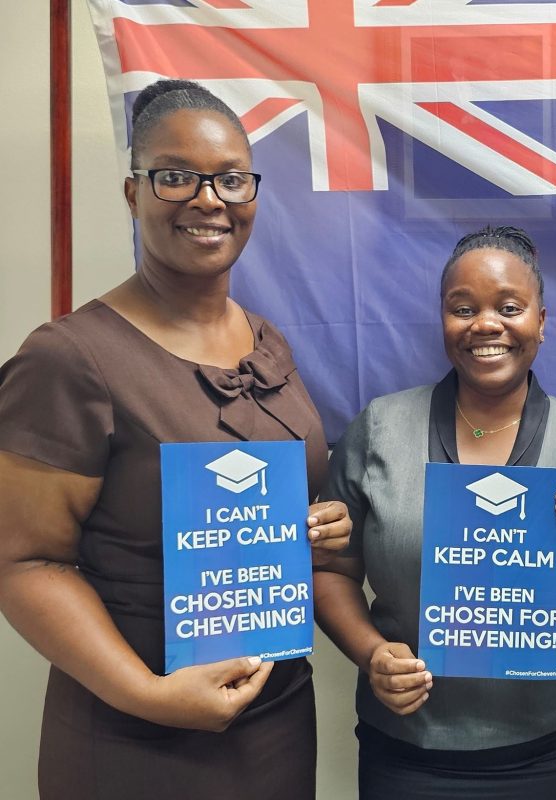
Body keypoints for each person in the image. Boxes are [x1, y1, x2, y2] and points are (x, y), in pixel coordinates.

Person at [0, 80, 350, 799]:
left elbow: (264, 503)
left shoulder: (266, 340)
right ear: (134, 194)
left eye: (230, 179)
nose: (208, 199)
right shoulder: (70, 359)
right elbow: (23, 562)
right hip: (135, 731)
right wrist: (149, 694)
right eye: (176, 176)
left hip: (277, 721)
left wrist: (314, 529)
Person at [314, 225, 556, 799]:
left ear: (541, 321)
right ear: (443, 320)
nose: (486, 325)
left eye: (510, 308)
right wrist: (372, 654)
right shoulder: (381, 428)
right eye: (463, 308)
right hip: (407, 749)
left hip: (552, 750)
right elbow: (329, 570)